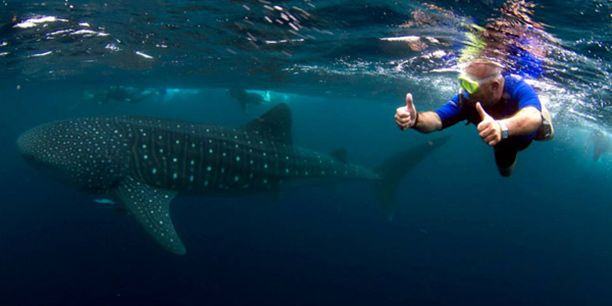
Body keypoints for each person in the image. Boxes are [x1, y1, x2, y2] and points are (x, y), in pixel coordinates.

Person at [394, 59, 553, 177]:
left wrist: (501, 128)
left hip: (522, 129)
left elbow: (532, 117)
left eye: (470, 85)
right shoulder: (466, 100)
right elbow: (437, 119)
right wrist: (416, 120)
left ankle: (542, 105)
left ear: (495, 86)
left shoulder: (516, 86)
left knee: (546, 134)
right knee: (505, 173)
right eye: (462, 83)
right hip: (504, 143)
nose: (465, 91)